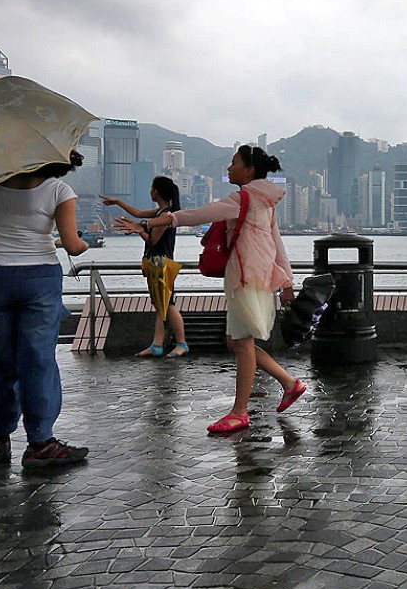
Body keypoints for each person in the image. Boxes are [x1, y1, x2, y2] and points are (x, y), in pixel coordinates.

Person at [143, 146, 306, 433]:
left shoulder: (242, 198)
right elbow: (278, 245)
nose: (229, 169)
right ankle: (289, 383)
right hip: (256, 278)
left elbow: (200, 213)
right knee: (238, 342)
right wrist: (287, 283)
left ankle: (239, 412)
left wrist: (160, 220)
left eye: (234, 163)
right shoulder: (264, 201)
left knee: (241, 343)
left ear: (249, 170)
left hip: (245, 278)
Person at [0, 150, 91, 468]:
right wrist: (83, 243)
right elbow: (71, 244)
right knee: (37, 360)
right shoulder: (59, 190)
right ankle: (40, 442)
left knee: (2, 359)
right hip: (38, 276)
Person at [103, 177, 190, 357]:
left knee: (168, 304)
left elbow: (152, 240)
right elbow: (139, 213)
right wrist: (119, 202)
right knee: (161, 305)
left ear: (156, 191)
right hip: (156, 263)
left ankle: (182, 343)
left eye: (152, 188)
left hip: (162, 264)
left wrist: (140, 230)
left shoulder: (166, 216)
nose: (150, 191)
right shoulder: (162, 212)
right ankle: (157, 344)